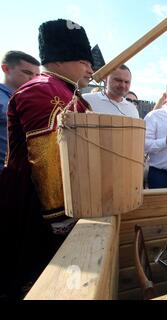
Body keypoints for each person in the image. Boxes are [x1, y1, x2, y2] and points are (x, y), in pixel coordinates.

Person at [0, 19, 94, 299]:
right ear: (61, 59)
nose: (90, 68)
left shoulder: (66, 91)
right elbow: (48, 160)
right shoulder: (42, 90)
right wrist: (61, 219)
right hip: (36, 211)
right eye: (83, 60)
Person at [0, 51, 40, 173]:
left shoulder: (33, 100)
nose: (33, 79)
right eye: (27, 73)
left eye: (37, 75)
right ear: (6, 69)